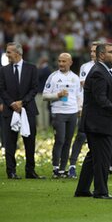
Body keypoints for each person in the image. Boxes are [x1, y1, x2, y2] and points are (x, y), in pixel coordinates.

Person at [74, 43, 112, 199]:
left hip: (98, 122)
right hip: (99, 123)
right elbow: (99, 97)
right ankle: (101, 191)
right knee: (102, 158)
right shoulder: (98, 72)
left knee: (93, 156)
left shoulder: (106, 71)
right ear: (102, 55)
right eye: (111, 52)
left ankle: (82, 189)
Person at [0, 42, 43, 179]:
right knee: (10, 142)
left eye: (9, 52)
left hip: (28, 109)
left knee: (30, 141)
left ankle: (30, 171)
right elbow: (1, 89)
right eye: (7, 52)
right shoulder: (3, 70)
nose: (7, 55)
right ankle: (11, 171)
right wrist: (12, 103)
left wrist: (22, 102)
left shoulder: (31, 68)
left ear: (18, 53)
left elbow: (34, 88)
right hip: (9, 110)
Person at [43, 53, 82, 178]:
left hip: (72, 112)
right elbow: (45, 95)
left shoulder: (75, 78)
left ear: (70, 62)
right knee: (59, 140)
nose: (61, 64)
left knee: (68, 141)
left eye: (64, 61)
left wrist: (79, 108)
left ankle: (62, 169)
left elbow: (78, 95)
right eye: (59, 61)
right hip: (59, 112)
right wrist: (57, 95)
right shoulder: (53, 77)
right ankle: (55, 168)